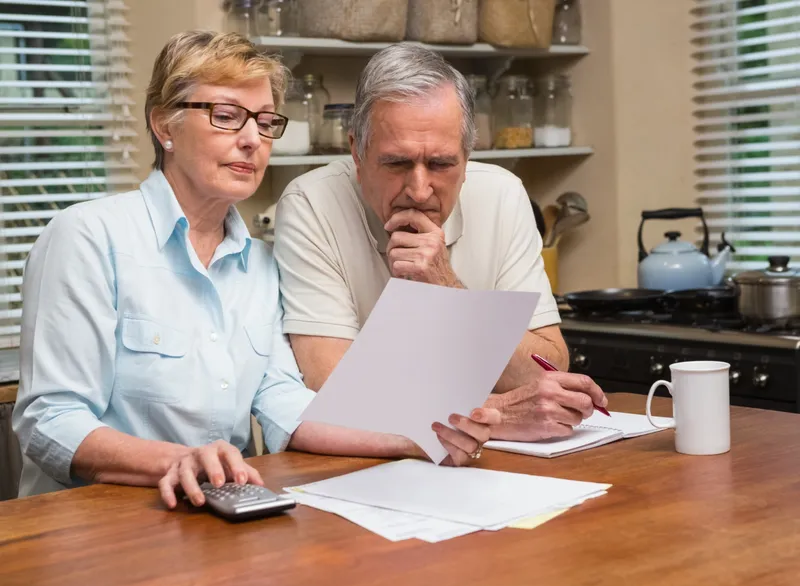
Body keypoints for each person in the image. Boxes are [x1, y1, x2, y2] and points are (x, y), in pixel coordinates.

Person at [12, 32, 495, 507]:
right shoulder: (87, 237)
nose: (251, 140)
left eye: (265, 123)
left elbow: (284, 402)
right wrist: (180, 461)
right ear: (164, 126)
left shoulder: (260, 265)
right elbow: (50, 420)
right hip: (93, 529)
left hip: (221, 516)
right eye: (226, 117)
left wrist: (418, 438)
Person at [273, 42, 608, 445]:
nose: (418, 190)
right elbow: (331, 391)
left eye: (441, 164)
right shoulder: (311, 203)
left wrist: (446, 287)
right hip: (362, 468)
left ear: (467, 158)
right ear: (357, 155)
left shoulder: (503, 195)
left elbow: (547, 372)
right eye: (397, 163)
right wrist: (496, 412)